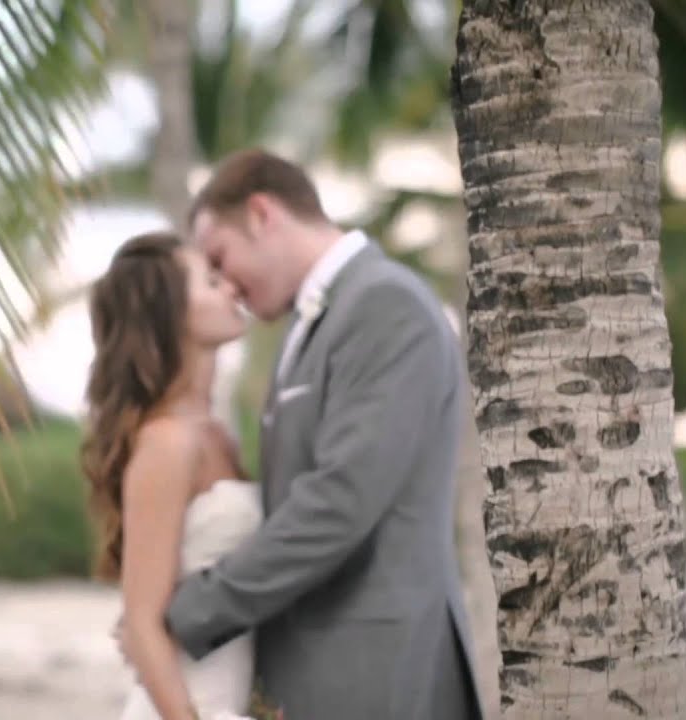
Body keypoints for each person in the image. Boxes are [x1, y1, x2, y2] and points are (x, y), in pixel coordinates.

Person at [118, 148, 483, 719]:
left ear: (263, 215)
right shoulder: (314, 323)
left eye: (221, 257)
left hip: (382, 670)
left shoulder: (384, 305)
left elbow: (339, 501)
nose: (228, 286)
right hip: (312, 678)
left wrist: (186, 613)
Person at [82, 231, 262, 719]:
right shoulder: (168, 442)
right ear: (172, 313)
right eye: (211, 282)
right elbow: (141, 624)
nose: (232, 290)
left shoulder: (218, 433)